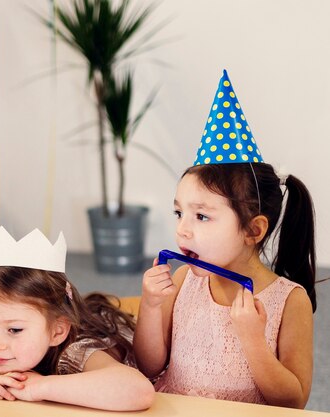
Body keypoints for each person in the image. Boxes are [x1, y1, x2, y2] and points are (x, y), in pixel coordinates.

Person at [133, 70, 316, 408]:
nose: (183, 230)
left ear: (253, 230)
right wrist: (150, 306)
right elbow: (149, 365)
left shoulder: (290, 302)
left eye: (201, 216)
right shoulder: (186, 278)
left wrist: (253, 340)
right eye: (179, 213)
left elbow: (293, 402)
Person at [0, 227, 154, 411]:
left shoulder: (75, 351)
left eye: (15, 330)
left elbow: (139, 390)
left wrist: (40, 387)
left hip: (107, 327)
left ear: (56, 332)